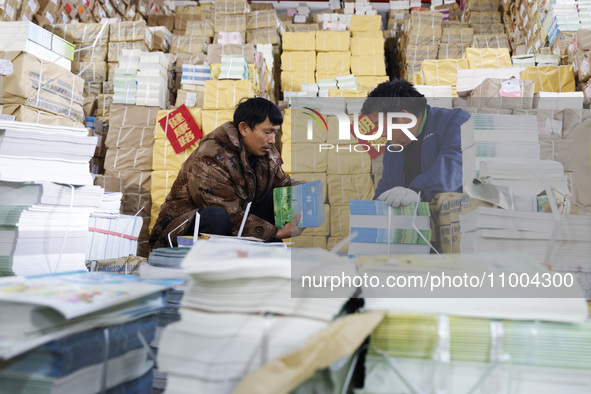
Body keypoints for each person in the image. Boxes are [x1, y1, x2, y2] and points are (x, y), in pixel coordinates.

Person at [149, 98, 303, 249]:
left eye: (275, 133)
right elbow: (229, 214)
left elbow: (283, 183)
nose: (272, 140)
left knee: (273, 197)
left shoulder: (264, 153)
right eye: (267, 132)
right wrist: (277, 233)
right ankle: (211, 269)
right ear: (243, 129)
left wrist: (314, 190)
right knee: (217, 217)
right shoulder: (210, 157)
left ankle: (264, 260)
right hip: (179, 234)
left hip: (234, 221)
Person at [361, 79, 471, 207]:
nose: (381, 134)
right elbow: (386, 187)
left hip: (452, 219)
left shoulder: (455, 121)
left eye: (379, 124)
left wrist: (417, 191)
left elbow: (454, 166)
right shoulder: (392, 147)